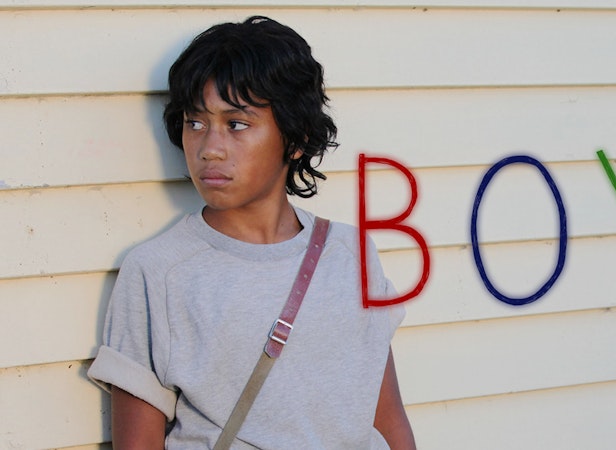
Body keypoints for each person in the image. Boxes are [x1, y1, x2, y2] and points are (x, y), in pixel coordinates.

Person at [88, 16, 415, 449]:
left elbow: (388, 419)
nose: (210, 149)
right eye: (195, 122)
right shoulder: (158, 273)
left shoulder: (350, 254)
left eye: (236, 124)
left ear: (296, 138)